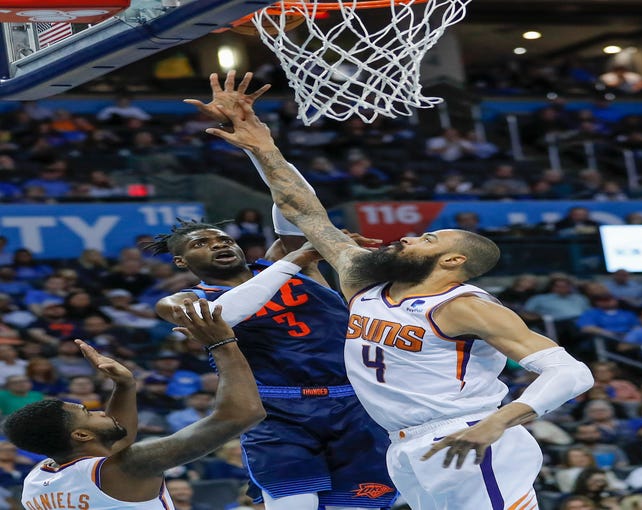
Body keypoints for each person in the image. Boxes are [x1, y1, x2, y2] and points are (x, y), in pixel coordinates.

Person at [198, 70, 594, 510]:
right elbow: (304, 211)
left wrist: (499, 422)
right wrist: (263, 147)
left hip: (471, 437)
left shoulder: (464, 307)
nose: (408, 237)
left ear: (453, 261)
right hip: (402, 445)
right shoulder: (361, 279)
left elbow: (572, 373)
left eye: (428, 239)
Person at [150, 219, 397, 510]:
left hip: (354, 403)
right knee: (296, 505)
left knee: (356, 506)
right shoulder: (183, 300)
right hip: (277, 413)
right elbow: (216, 315)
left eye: (225, 239)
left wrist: (300, 254)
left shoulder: (287, 260)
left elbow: (290, 200)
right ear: (181, 261)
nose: (218, 244)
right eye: (199, 244)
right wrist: (295, 259)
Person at [3, 299, 265, 510]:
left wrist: (125, 385)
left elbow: (117, 442)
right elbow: (243, 413)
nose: (97, 411)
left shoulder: (37, 480)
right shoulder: (129, 467)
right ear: (81, 434)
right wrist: (220, 342)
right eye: (86, 412)